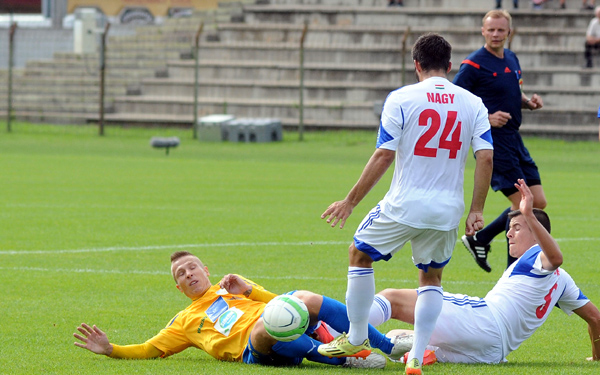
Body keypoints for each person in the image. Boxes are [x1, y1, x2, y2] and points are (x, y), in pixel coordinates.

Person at [319, 33, 494, 375]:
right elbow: (485, 157)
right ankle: (415, 355)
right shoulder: (473, 102)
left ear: (416, 65)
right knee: (431, 279)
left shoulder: (401, 98)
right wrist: (476, 209)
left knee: (359, 253)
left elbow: (384, 154)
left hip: (404, 205)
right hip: (447, 210)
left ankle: (355, 337)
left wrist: (350, 201)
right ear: (450, 65)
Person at [369, 180, 600, 364]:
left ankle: (340, 333)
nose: (509, 234)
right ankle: (414, 354)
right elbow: (595, 318)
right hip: (491, 353)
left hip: (482, 323)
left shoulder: (535, 254)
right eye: (509, 229)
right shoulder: (564, 281)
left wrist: (528, 213)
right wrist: (597, 357)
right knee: (394, 336)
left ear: (537, 233)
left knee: (392, 299)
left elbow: (555, 258)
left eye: (516, 228)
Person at [73, 251, 413, 368]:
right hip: (258, 348)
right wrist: (111, 350)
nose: (188, 274)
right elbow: (149, 349)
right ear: (179, 288)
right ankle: (341, 356)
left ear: (206, 269)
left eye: (192, 267)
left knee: (305, 298)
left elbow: (288, 307)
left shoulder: (231, 288)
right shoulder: (184, 322)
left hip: (288, 327)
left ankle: (386, 345)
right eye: (181, 274)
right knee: (265, 328)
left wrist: (251, 290)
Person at [454, 10, 546, 273]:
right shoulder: (473, 65)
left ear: (509, 32)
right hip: (494, 142)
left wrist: (527, 103)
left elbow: (513, 91)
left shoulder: (511, 58)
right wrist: (487, 116)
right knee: (522, 205)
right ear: (482, 31)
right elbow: (455, 101)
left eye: (500, 30)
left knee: (537, 202)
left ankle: (480, 238)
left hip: (514, 139)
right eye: (491, 29)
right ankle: (513, 275)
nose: (495, 34)